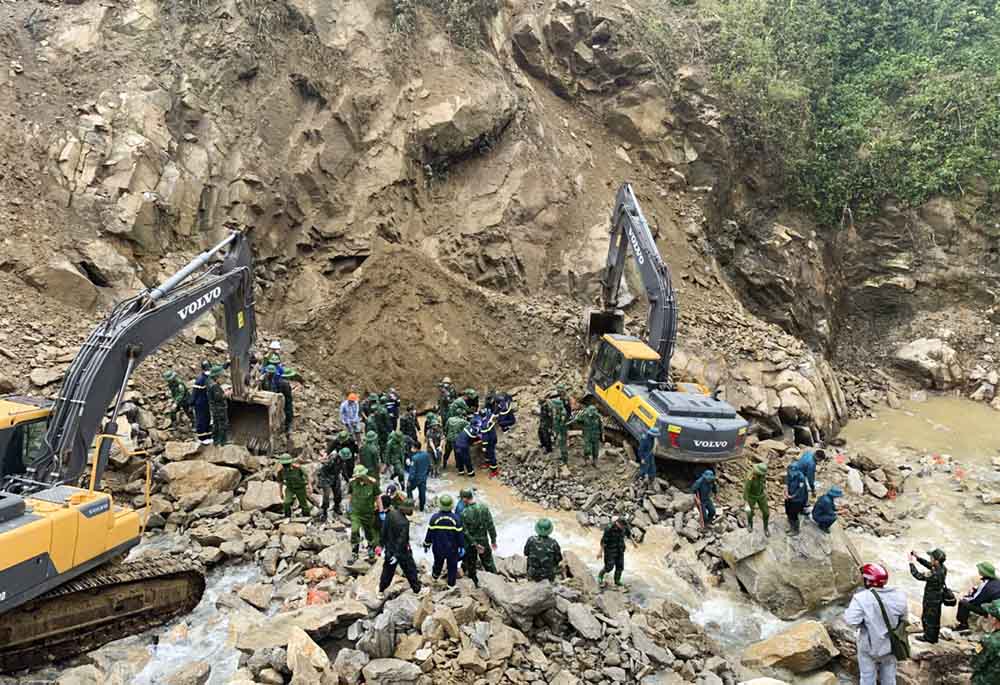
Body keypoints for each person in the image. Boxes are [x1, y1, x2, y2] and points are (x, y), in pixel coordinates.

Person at [844, 562, 909, 685]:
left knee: (867, 678)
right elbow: (904, 619)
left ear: (868, 581)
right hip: (891, 645)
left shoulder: (861, 598)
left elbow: (850, 621)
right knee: (889, 679)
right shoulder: (899, 595)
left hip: (869, 648)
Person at [378, 490, 422, 595]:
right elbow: (402, 541)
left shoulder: (390, 513)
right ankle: (417, 591)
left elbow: (384, 531)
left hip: (389, 550)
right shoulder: (404, 523)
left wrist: (381, 545)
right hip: (401, 553)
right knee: (410, 570)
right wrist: (397, 555)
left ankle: (381, 590)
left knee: (387, 572)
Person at [423, 494, 464, 587]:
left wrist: (426, 544)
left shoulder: (434, 518)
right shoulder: (456, 519)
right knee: (452, 567)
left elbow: (429, 533)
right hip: (452, 549)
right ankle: (451, 584)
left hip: (438, 548)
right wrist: (462, 546)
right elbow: (460, 535)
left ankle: (435, 577)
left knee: (438, 563)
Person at [460, 488, 497, 586]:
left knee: (471, 564)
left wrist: (475, 544)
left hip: (471, 543)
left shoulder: (464, 513)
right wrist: (493, 540)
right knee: (488, 562)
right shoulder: (484, 508)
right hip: (484, 540)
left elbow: (465, 532)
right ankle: (495, 581)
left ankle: (475, 584)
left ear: (464, 499)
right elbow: (491, 525)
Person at [910, 548, 948, 643]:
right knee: (935, 618)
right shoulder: (943, 568)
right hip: (938, 597)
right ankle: (934, 637)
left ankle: (928, 638)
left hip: (931, 598)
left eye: (931, 557)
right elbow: (929, 565)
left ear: (936, 560)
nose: (930, 559)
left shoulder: (934, 574)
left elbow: (917, 575)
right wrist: (917, 558)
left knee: (927, 618)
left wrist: (911, 563)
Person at [348, 465, 380, 562]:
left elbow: (377, 497)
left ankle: (370, 549)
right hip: (355, 512)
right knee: (354, 530)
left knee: (369, 533)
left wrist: (381, 511)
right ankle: (354, 552)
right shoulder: (353, 483)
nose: (357, 478)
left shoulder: (373, 483)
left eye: (359, 476)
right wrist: (349, 506)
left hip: (368, 513)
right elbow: (350, 494)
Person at [957, 562, 1000, 632]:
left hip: (992, 611)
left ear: (983, 572)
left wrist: (964, 598)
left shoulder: (985, 584)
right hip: (996, 607)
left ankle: (963, 625)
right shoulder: (997, 581)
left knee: (963, 603)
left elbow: (975, 600)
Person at [972, 600, 1000, 684]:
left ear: (994, 619)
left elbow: (975, 663)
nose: (987, 616)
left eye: (989, 614)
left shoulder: (988, 641)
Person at [261, 365, 294, 435]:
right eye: (269, 373)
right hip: (269, 400)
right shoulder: (266, 379)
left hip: (278, 399)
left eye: (271, 373)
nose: (269, 374)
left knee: (286, 410)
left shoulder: (281, 382)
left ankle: (287, 426)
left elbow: (287, 397)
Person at [598, 517, 630, 587]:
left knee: (620, 567)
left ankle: (617, 581)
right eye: (622, 526)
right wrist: (600, 552)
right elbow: (604, 541)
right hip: (610, 550)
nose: (623, 528)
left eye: (624, 526)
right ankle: (600, 575)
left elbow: (628, 534)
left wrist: (634, 543)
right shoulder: (609, 528)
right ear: (617, 523)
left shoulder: (624, 527)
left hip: (620, 549)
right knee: (609, 567)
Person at [317, 447, 348, 519]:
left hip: (335, 477)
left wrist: (347, 480)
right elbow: (322, 470)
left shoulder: (342, 462)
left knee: (338, 494)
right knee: (326, 496)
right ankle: (324, 511)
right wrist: (320, 482)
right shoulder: (332, 460)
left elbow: (343, 470)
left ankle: (337, 507)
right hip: (326, 478)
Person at [277, 453, 311, 518]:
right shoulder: (281, 471)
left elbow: (307, 476)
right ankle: (287, 517)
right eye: (284, 464)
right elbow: (280, 482)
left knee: (303, 504)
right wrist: (280, 492)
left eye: (287, 464)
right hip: (290, 488)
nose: (286, 466)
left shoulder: (298, 468)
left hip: (300, 488)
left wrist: (310, 486)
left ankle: (307, 517)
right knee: (286, 502)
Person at [744, 462, 770, 537]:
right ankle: (750, 524)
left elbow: (764, 482)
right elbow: (746, 490)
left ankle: (766, 528)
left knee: (766, 512)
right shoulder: (750, 477)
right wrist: (746, 502)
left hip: (761, 495)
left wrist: (764, 489)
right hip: (751, 497)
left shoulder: (762, 475)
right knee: (749, 512)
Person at [785, 462, 809, 536]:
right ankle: (791, 526)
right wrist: (786, 491)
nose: (791, 473)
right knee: (788, 511)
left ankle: (796, 529)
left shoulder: (801, 477)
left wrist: (792, 496)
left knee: (793, 514)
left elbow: (800, 490)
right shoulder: (789, 474)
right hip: (789, 496)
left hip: (798, 499)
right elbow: (787, 483)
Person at [207, 365, 229, 446]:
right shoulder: (215, 386)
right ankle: (223, 442)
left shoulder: (210, 383)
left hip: (214, 408)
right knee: (223, 424)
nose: (223, 379)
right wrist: (226, 394)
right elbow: (218, 397)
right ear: (217, 377)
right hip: (219, 409)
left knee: (216, 424)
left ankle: (215, 441)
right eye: (222, 377)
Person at [192, 363, 212, 445]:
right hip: (200, 404)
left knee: (207, 418)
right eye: (207, 369)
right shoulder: (200, 380)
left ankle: (208, 436)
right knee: (201, 420)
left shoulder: (207, 378)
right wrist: (191, 403)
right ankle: (202, 438)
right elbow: (194, 394)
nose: (208, 370)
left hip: (206, 403)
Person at [406, 447, 431, 512]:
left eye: (412, 448)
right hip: (423, 478)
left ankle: (410, 507)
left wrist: (409, 480)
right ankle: (422, 509)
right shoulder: (426, 455)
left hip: (415, 479)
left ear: (415, 448)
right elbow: (429, 466)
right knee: (422, 493)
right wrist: (426, 475)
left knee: (409, 489)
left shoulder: (414, 458)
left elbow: (412, 472)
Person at [478, 407, 499, 477]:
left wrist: (484, 446)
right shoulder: (488, 419)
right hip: (493, 437)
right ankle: (487, 463)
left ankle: (494, 470)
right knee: (487, 453)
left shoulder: (484, 425)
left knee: (491, 454)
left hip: (490, 441)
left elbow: (485, 437)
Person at [549, 395, 568, 464]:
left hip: (562, 432)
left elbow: (562, 425)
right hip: (558, 430)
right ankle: (562, 456)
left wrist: (559, 433)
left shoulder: (562, 413)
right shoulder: (558, 411)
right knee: (559, 445)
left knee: (563, 445)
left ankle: (564, 460)